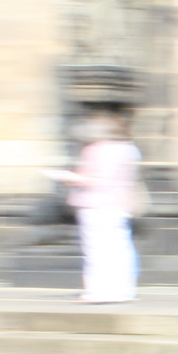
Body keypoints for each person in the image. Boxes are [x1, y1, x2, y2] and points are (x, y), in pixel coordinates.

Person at [50, 113, 142, 304]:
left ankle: (98, 292)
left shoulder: (97, 150)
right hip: (120, 206)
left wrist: (66, 177)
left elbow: (95, 180)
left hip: (96, 206)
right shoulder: (129, 149)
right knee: (120, 249)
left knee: (97, 251)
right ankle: (123, 291)